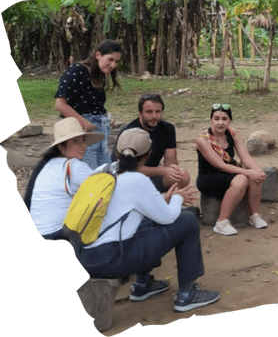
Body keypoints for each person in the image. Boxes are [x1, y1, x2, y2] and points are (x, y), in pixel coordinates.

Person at [72, 128, 220, 313]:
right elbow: (168, 217)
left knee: (146, 222)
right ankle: (186, 294)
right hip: (112, 260)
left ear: (116, 152)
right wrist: (178, 198)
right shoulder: (137, 180)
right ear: (148, 155)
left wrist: (165, 198)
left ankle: (142, 285)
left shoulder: (102, 171)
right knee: (188, 220)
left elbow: (127, 210)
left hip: (85, 256)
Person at [23, 117, 105, 240]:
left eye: (83, 140)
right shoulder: (73, 166)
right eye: (75, 141)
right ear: (61, 147)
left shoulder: (46, 165)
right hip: (57, 234)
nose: (82, 145)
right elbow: (106, 186)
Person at [195, 103, 268, 235]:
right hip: (209, 177)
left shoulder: (233, 134)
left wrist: (258, 171)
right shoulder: (203, 140)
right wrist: (248, 172)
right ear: (211, 120)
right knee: (242, 179)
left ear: (230, 121)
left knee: (255, 175)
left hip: (229, 173)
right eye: (216, 119)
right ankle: (222, 222)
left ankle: (254, 215)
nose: (220, 123)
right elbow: (220, 165)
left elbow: (245, 158)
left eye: (224, 119)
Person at [54, 39, 122, 170]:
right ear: (98, 55)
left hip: (100, 132)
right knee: (87, 175)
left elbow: (93, 104)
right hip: (83, 133)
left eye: (116, 62)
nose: (113, 65)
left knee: (103, 175)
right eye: (110, 59)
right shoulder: (77, 70)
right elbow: (60, 105)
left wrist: (106, 117)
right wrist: (87, 125)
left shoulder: (100, 75)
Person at [115, 94, 190, 193]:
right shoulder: (129, 133)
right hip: (128, 179)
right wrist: (163, 171)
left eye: (158, 112)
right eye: (149, 112)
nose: (154, 116)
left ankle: (167, 201)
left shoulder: (168, 129)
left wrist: (172, 169)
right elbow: (127, 168)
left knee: (182, 176)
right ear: (140, 113)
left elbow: (171, 158)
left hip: (151, 176)